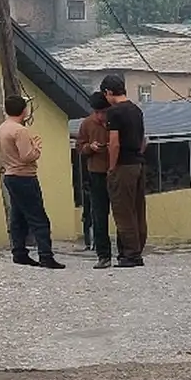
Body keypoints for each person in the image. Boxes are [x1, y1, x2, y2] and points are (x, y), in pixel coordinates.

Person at [0, 90, 65, 270]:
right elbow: (27, 156)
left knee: (18, 217)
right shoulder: (20, 131)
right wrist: (37, 148)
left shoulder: (1, 128)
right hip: (24, 176)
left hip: (10, 174)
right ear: (23, 111)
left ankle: (19, 252)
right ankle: (46, 255)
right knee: (38, 218)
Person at [101, 72, 148, 267]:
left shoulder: (115, 112)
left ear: (109, 92)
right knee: (138, 210)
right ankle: (136, 249)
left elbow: (114, 143)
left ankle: (131, 254)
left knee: (123, 211)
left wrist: (111, 168)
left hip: (123, 165)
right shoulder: (137, 110)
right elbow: (143, 139)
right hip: (138, 163)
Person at [76, 88, 113, 268]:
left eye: (103, 112)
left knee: (122, 214)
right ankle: (103, 255)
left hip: (115, 171)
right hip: (96, 173)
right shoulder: (87, 124)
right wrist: (90, 148)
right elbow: (79, 147)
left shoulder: (116, 120)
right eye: (97, 113)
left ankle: (125, 253)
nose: (100, 116)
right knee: (99, 215)